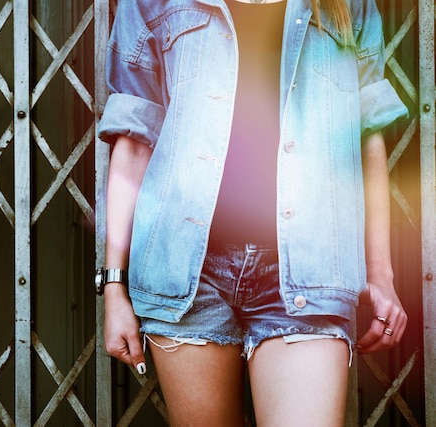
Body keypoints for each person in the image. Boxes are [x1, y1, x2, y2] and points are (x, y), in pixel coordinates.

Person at [97, 0, 409, 425]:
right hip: (187, 277)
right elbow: (133, 142)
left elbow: (368, 134)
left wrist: (381, 274)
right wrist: (114, 285)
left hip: (307, 275)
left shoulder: (348, 5)